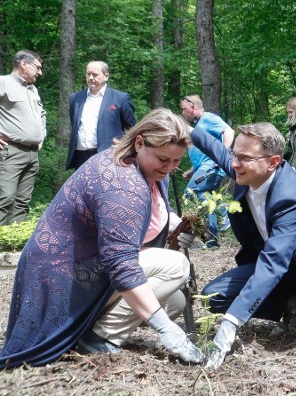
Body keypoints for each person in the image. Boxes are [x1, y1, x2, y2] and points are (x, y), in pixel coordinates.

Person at [0, 109, 203, 367]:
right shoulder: (121, 184)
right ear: (140, 142)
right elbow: (121, 266)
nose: (170, 167)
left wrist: (175, 224)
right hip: (63, 275)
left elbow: (156, 209)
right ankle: (97, 339)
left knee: (174, 301)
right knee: (177, 266)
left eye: (176, 162)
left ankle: (87, 327)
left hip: (90, 267)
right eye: (164, 159)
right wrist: (167, 330)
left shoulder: (147, 168)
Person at [190, 122, 296, 370]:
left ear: (273, 161)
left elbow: (274, 262)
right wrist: (185, 130)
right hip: (277, 261)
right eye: (235, 155)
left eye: (244, 157)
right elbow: (216, 149)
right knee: (212, 297)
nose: (234, 163)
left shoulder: (290, 194)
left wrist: (231, 322)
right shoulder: (245, 169)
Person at [180, 94, 235, 248]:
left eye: (184, 109)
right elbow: (202, 154)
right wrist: (192, 171)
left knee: (191, 192)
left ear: (193, 107)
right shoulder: (198, 126)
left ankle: (224, 213)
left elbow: (229, 131)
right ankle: (212, 240)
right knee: (205, 197)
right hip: (204, 167)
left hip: (213, 166)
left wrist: (222, 154)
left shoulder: (208, 118)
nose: (183, 113)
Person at [0, 50, 46, 225]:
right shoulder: (3, 82)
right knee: (4, 198)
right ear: (24, 64)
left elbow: (42, 115)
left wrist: (41, 135)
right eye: (38, 67)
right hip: (11, 151)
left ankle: (13, 246)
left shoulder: (32, 89)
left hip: (32, 154)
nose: (40, 72)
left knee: (22, 202)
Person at [66, 61, 137, 171]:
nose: (91, 77)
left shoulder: (120, 98)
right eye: (88, 74)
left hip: (109, 155)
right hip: (80, 156)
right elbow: (74, 124)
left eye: (95, 75)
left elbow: (131, 128)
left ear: (106, 76)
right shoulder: (75, 98)